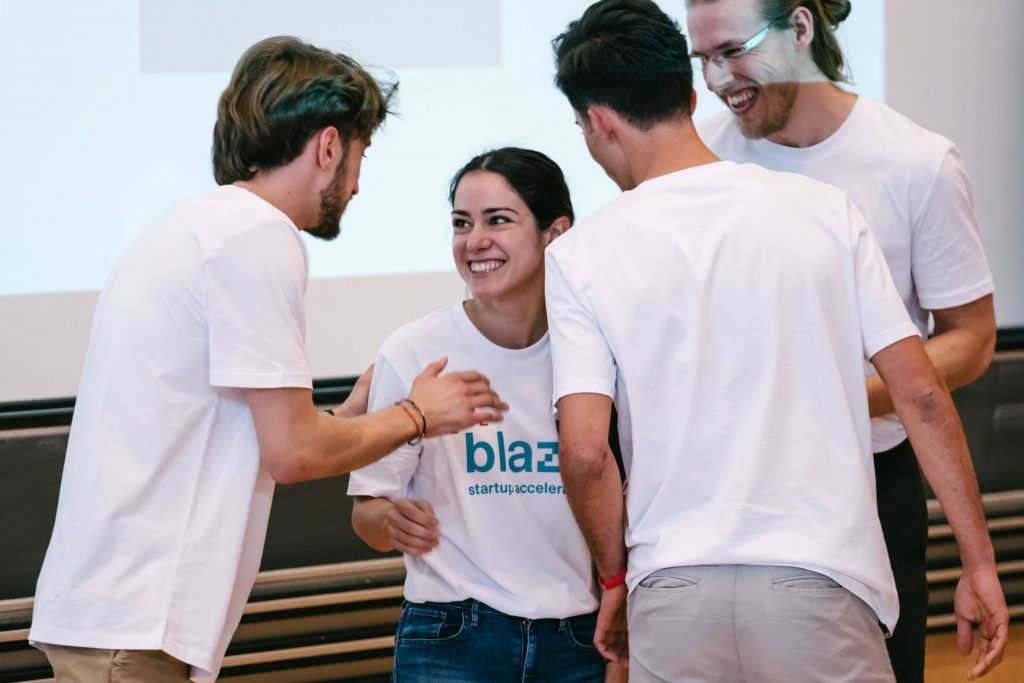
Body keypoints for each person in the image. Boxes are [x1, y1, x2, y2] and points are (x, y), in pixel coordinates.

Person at [547, 1, 1008, 681]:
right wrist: (980, 562)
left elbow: (586, 453)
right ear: (686, 90)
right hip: (819, 572)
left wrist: (613, 579)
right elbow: (923, 395)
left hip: (673, 584)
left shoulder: (579, 253)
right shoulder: (825, 209)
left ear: (601, 123)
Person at [29, 36, 507, 683]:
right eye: (362, 155)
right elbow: (293, 454)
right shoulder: (257, 237)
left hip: (114, 613)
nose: (359, 185)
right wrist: (417, 414)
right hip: (134, 622)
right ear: (329, 146)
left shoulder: (195, 226)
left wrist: (346, 419)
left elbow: (237, 434)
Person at [684, 1, 997, 679]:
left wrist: (846, 396)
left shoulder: (917, 162)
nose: (716, 80)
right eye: (702, 59)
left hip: (870, 486)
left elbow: (971, 340)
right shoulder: (699, 159)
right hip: (724, 486)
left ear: (800, 29)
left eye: (733, 51)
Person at [348, 147, 620, 682]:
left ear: (555, 234)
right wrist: (389, 522)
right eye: (461, 223)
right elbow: (367, 514)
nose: (474, 241)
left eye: (498, 220)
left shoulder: (594, 351)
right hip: (450, 635)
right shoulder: (414, 350)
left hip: (578, 638)